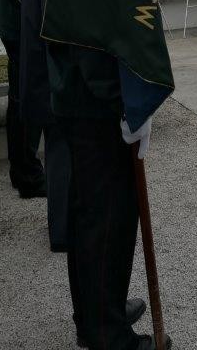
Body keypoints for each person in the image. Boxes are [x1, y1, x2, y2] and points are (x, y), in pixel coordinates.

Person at [46, 40, 167, 349]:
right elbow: (96, 29)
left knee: (88, 213)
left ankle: (95, 314)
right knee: (108, 217)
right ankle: (108, 335)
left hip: (79, 88)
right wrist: (124, 100)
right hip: (96, 97)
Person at [19, 0, 72, 251]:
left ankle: (60, 222)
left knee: (57, 156)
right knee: (62, 158)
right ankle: (63, 231)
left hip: (42, 77)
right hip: (53, 81)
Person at [0, 0, 45, 197]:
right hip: (24, 34)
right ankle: (28, 175)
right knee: (28, 103)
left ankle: (21, 171)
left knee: (18, 101)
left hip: (12, 30)